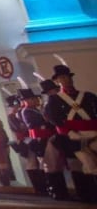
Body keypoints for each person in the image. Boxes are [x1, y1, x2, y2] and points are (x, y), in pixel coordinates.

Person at [43, 64, 97, 203]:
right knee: (77, 165)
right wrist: (69, 132)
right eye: (61, 78)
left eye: (66, 76)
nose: (65, 79)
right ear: (57, 81)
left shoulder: (88, 96)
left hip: (93, 133)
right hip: (70, 137)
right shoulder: (54, 100)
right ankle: (85, 194)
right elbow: (54, 118)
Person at [17, 87, 52, 196]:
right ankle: (44, 186)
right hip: (37, 139)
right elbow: (32, 124)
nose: (33, 100)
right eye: (30, 99)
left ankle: (46, 186)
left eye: (33, 98)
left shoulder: (35, 110)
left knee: (44, 162)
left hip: (44, 137)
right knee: (42, 163)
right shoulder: (26, 111)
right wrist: (44, 123)